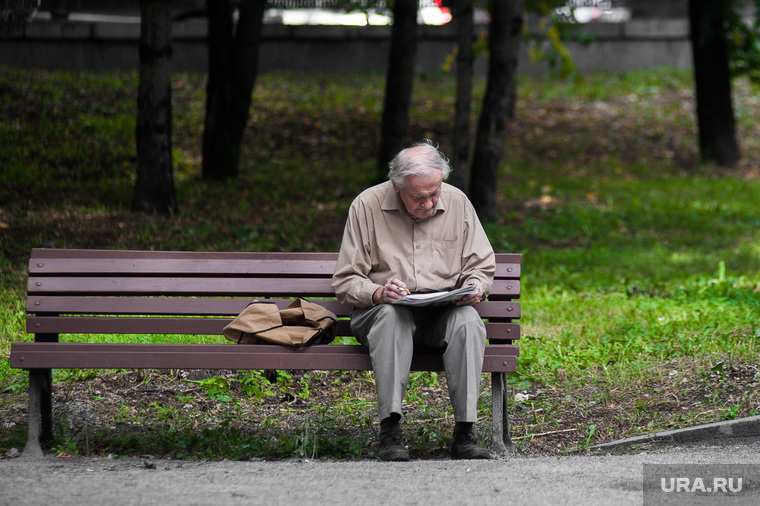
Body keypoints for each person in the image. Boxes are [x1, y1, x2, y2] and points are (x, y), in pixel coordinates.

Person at [332, 139, 496, 461]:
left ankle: (465, 433)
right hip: (384, 311)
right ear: (396, 186)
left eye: (435, 192)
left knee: (468, 324)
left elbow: (480, 265)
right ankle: (390, 433)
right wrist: (379, 292)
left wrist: (475, 286)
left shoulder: (458, 203)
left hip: (441, 312)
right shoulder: (366, 205)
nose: (430, 202)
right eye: (419, 197)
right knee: (393, 318)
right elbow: (346, 280)